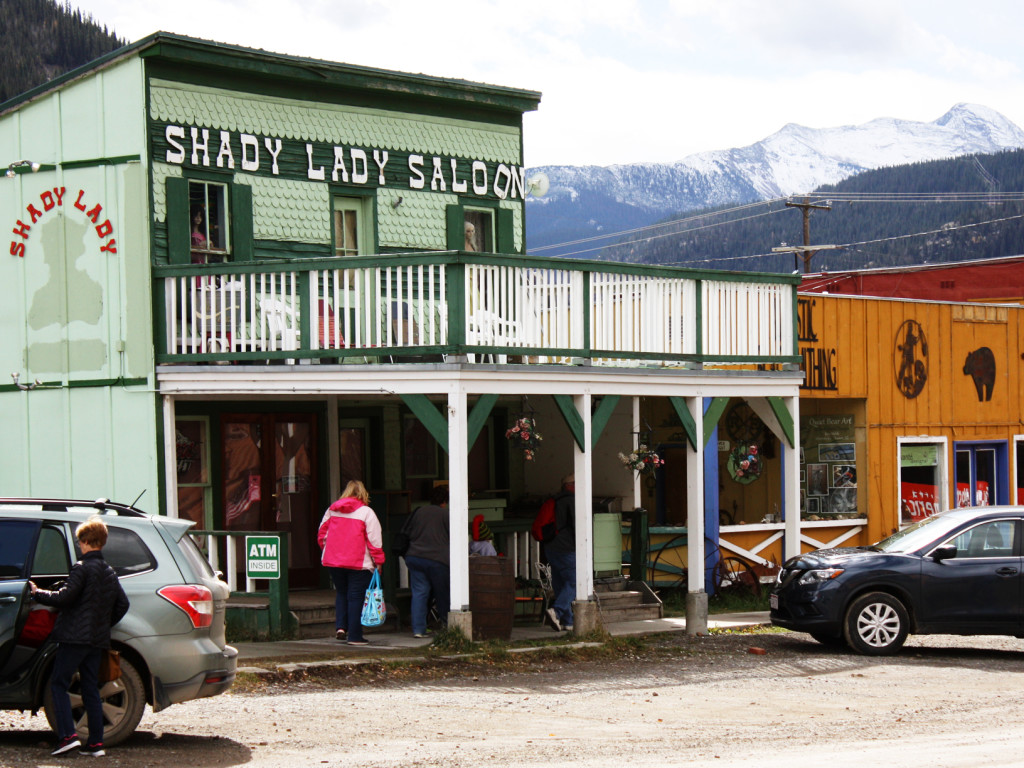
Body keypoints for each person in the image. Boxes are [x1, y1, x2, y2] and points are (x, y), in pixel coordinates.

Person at [30, 516, 130, 758]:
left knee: (58, 683)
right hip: (97, 640)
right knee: (90, 689)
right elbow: (122, 604)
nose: (80, 545)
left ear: (85, 541)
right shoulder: (108, 571)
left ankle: (68, 737)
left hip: (73, 638)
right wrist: (102, 625)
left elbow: (65, 597)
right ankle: (96, 744)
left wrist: (37, 593)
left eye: (80, 541)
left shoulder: (81, 568)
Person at [318, 480, 385, 646]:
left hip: (333, 561)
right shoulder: (366, 513)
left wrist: (330, 551)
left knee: (341, 592)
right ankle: (355, 635)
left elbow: (321, 534)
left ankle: (341, 627)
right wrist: (379, 561)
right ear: (363, 493)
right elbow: (374, 540)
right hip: (359, 563)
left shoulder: (332, 510)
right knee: (355, 597)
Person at [403, 484, 450, 639]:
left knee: (419, 593)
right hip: (437, 559)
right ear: (445, 500)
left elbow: (409, 532)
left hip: (415, 556)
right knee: (442, 593)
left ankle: (418, 629)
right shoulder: (446, 515)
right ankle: (447, 626)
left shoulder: (419, 512)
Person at [543, 474, 576, 632]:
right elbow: (577, 526)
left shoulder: (554, 500)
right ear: (570, 485)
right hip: (566, 548)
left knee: (560, 584)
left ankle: (567, 621)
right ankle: (557, 611)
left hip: (550, 547)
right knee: (574, 581)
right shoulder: (571, 500)